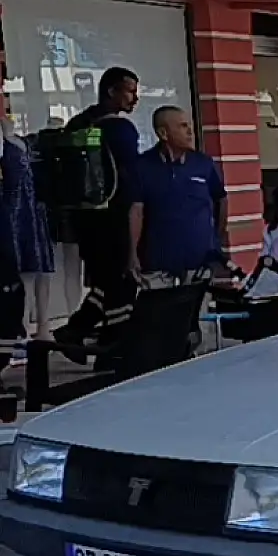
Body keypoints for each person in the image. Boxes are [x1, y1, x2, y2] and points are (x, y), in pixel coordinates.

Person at [55, 67, 143, 356]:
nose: (136, 98)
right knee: (122, 281)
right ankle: (112, 346)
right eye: (130, 91)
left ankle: (74, 331)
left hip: (86, 218)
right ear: (111, 91)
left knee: (106, 281)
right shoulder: (120, 129)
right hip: (115, 217)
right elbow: (132, 178)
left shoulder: (78, 123)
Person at [128, 107, 227, 285]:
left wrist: (215, 239)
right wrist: (132, 254)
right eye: (183, 126)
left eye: (189, 125)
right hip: (158, 265)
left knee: (198, 311)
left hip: (200, 264)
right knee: (161, 311)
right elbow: (136, 212)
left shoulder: (203, 163)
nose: (190, 131)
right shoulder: (142, 166)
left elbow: (221, 199)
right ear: (163, 133)